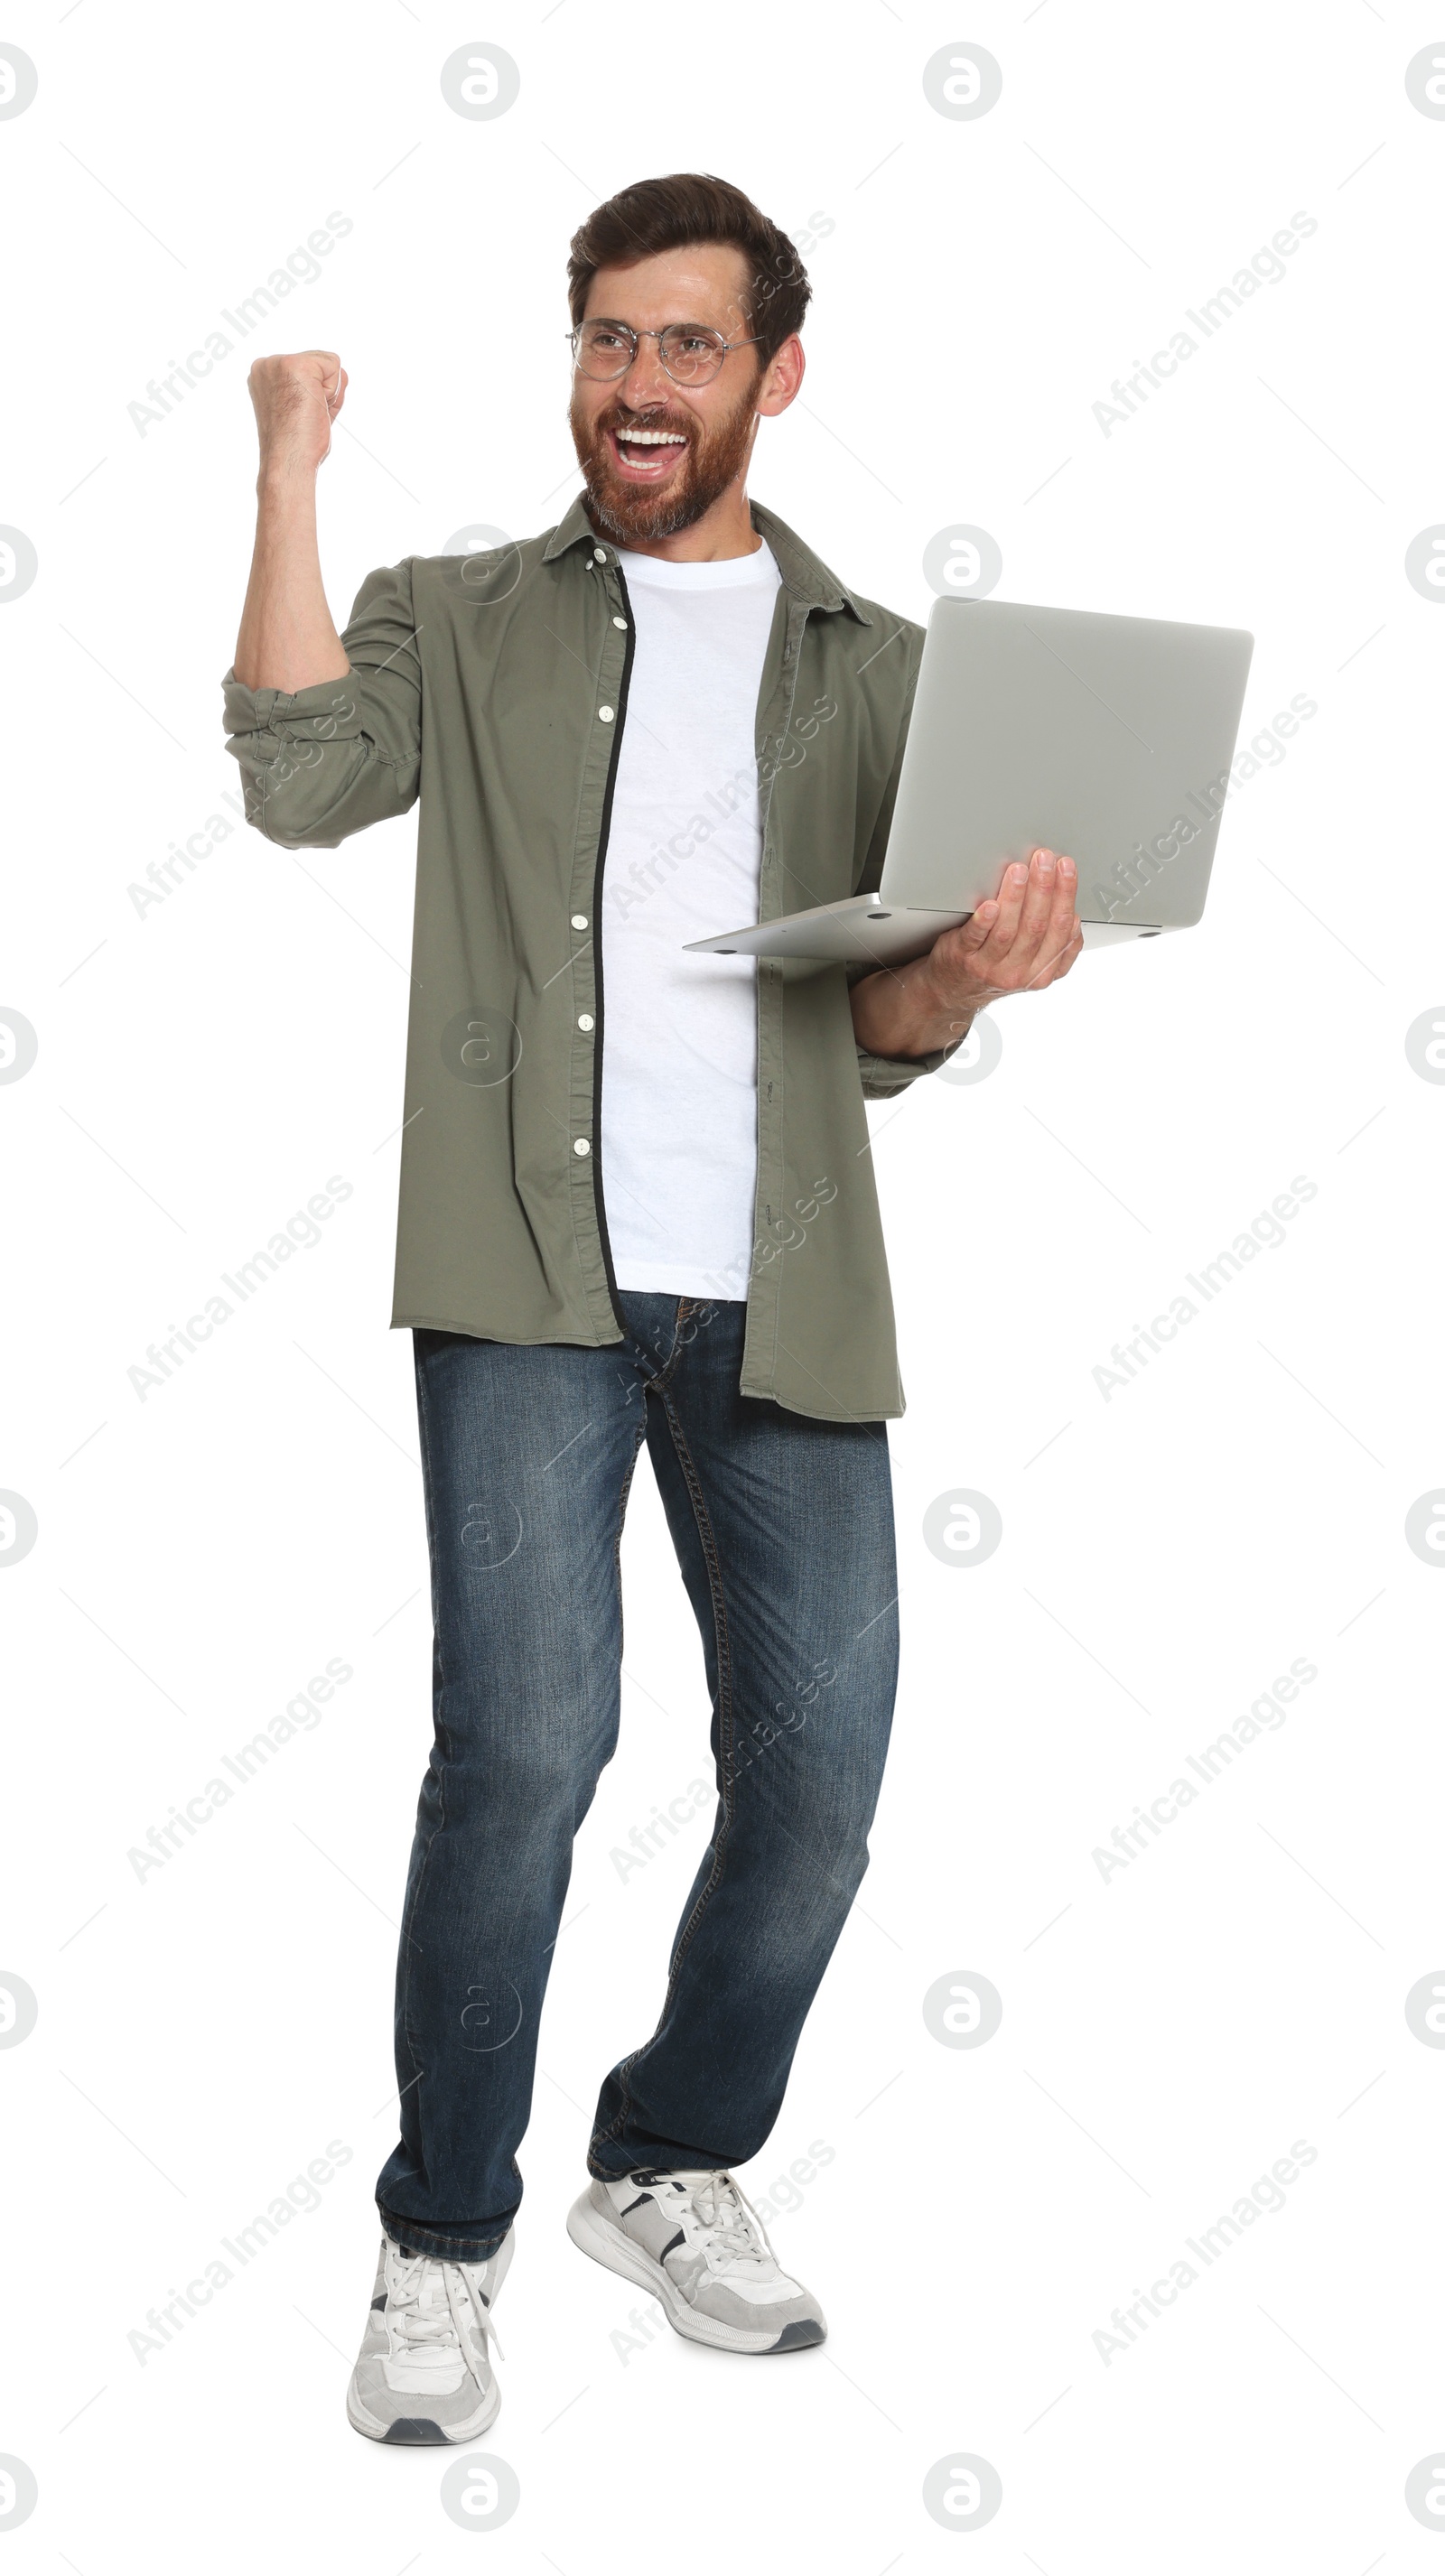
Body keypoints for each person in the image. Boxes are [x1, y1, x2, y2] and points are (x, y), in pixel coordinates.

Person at [222, 171, 1082, 2444]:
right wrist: (291, 460)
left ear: (774, 377)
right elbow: (303, 781)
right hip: (524, 1280)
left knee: (816, 1786)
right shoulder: (462, 610)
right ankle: (435, 2237)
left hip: (781, 1288)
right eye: (608, 337)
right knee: (522, 1758)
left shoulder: (878, 665)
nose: (637, 382)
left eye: (687, 345)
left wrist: (969, 975)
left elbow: (883, 1011)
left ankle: (670, 2153)